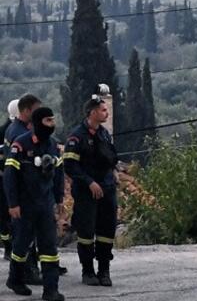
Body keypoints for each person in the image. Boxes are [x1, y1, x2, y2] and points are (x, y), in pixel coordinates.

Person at [4, 107, 65, 301]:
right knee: (22, 246)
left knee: (49, 247)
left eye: (53, 120)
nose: (52, 124)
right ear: (38, 122)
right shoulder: (20, 145)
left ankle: (51, 290)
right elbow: (10, 177)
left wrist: (59, 200)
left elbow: (59, 175)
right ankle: (15, 279)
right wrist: (13, 203)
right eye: (48, 121)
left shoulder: (53, 146)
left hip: (45, 204)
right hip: (24, 204)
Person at [63, 96, 118, 287]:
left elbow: (110, 158)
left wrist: (113, 173)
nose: (106, 113)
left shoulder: (104, 134)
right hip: (87, 192)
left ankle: (104, 271)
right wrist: (89, 182)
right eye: (103, 110)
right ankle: (88, 271)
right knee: (86, 233)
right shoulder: (76, 137)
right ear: (92, 112)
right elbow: (70, 166)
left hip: (107, 189)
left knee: (106, 231)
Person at [4, 94, 43, 285]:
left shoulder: (20, 129)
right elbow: (13, 169)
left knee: (29, 235)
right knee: (24, 235)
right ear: (26, 111)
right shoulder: (17, 133)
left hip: (31, 192)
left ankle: (30, 269)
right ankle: (24, 272)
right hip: (23, 193)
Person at [0, 99, 19, 260]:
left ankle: (9, 247)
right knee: (6, 217)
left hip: (9, 179)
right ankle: (8, 247)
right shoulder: (9, 131)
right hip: (6, 180)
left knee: (5, 217)